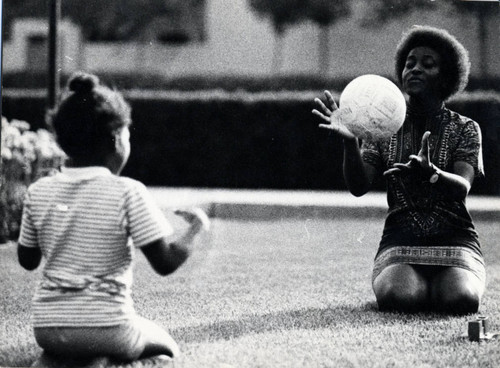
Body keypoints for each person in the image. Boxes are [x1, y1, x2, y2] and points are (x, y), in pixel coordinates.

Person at [17, 72, 210, 365]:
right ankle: (103, 359)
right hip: (109, 327)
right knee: (167, 347)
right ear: (117, 139)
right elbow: (166, 262)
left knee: (71, 345)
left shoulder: (38, 190)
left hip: (48, 328)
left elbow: (28, 260)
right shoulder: (128, 192)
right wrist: (195, 229)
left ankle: (58, 360)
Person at [312, 25, 485, 315]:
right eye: (409, 63)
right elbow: (358, 186)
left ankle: (444, 283)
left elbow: (462, 188)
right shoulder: (381, 127)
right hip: (400, 241)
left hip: (455, 241)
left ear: (447, 77)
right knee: (400, 298)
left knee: (461, 300)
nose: (414, 69)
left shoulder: (466, 128)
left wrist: (433, 174)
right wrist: (350, 142)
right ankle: (416, 284)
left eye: (427, 65)